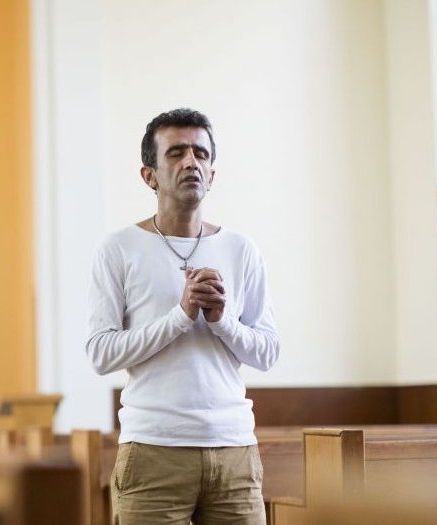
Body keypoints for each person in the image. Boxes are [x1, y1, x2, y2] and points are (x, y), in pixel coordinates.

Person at [86, 108, 280, 524]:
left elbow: (267, 353)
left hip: (234, 450)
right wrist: (180, 316)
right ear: (149, 175)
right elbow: (101, 354)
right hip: (153, 450)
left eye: (201, 154)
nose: (191, 162)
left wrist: (221, 321)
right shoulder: (118, 248)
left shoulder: (241, 249)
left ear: (212, 175)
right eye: (176, 153)